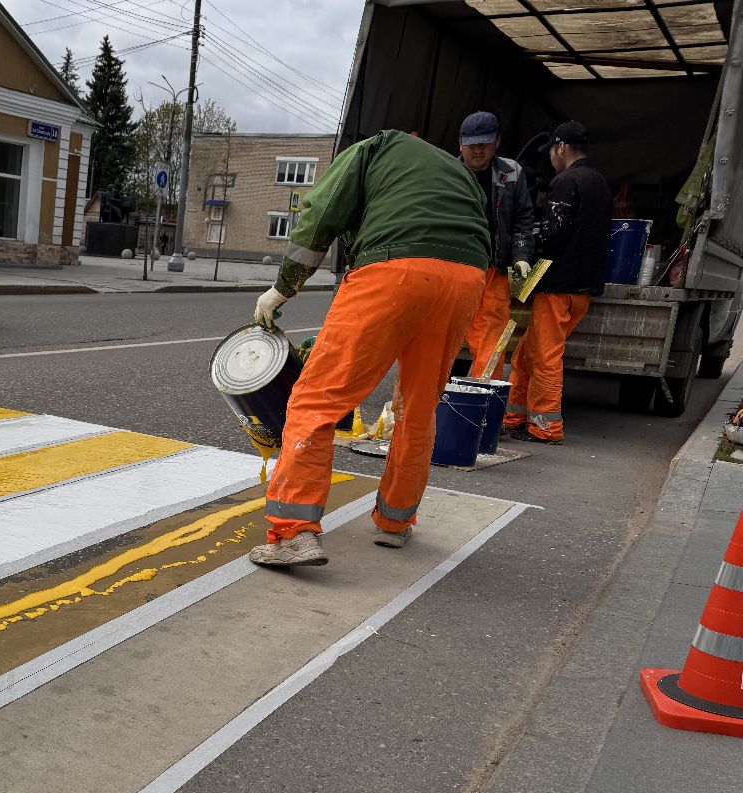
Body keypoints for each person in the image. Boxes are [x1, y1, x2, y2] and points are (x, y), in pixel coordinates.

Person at [249, 130, 490, 567]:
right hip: (467, 279)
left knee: (316, 400)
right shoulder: (457, 172)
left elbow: (321, 213)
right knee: (419, 406)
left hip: (395, 271)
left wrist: (283, 288)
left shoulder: (374, 148)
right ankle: (396, 522)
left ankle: (292, 534)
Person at [504, 121, 609, 442]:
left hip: (558, 285)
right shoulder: (601, 183)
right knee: (526, 351)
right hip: (584, 287)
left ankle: (546, 427)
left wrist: (524, 248)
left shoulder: (566, 182)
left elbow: (553, 234)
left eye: (551, 149)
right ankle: (514, 416)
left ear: (561, 147)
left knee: (546, 356)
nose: (550, 156)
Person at [457, 111, 534, 377]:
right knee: (438, 340)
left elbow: (523, 218)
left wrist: (522, 255)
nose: (477, 150)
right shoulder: (448, 174)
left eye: (484, 144)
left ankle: (480, 403)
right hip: (456, 271)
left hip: (494, 272)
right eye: (471, 145)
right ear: (460, 144)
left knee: (492, 344)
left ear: (496, 142)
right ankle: (428, 405)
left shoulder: (511, 173)